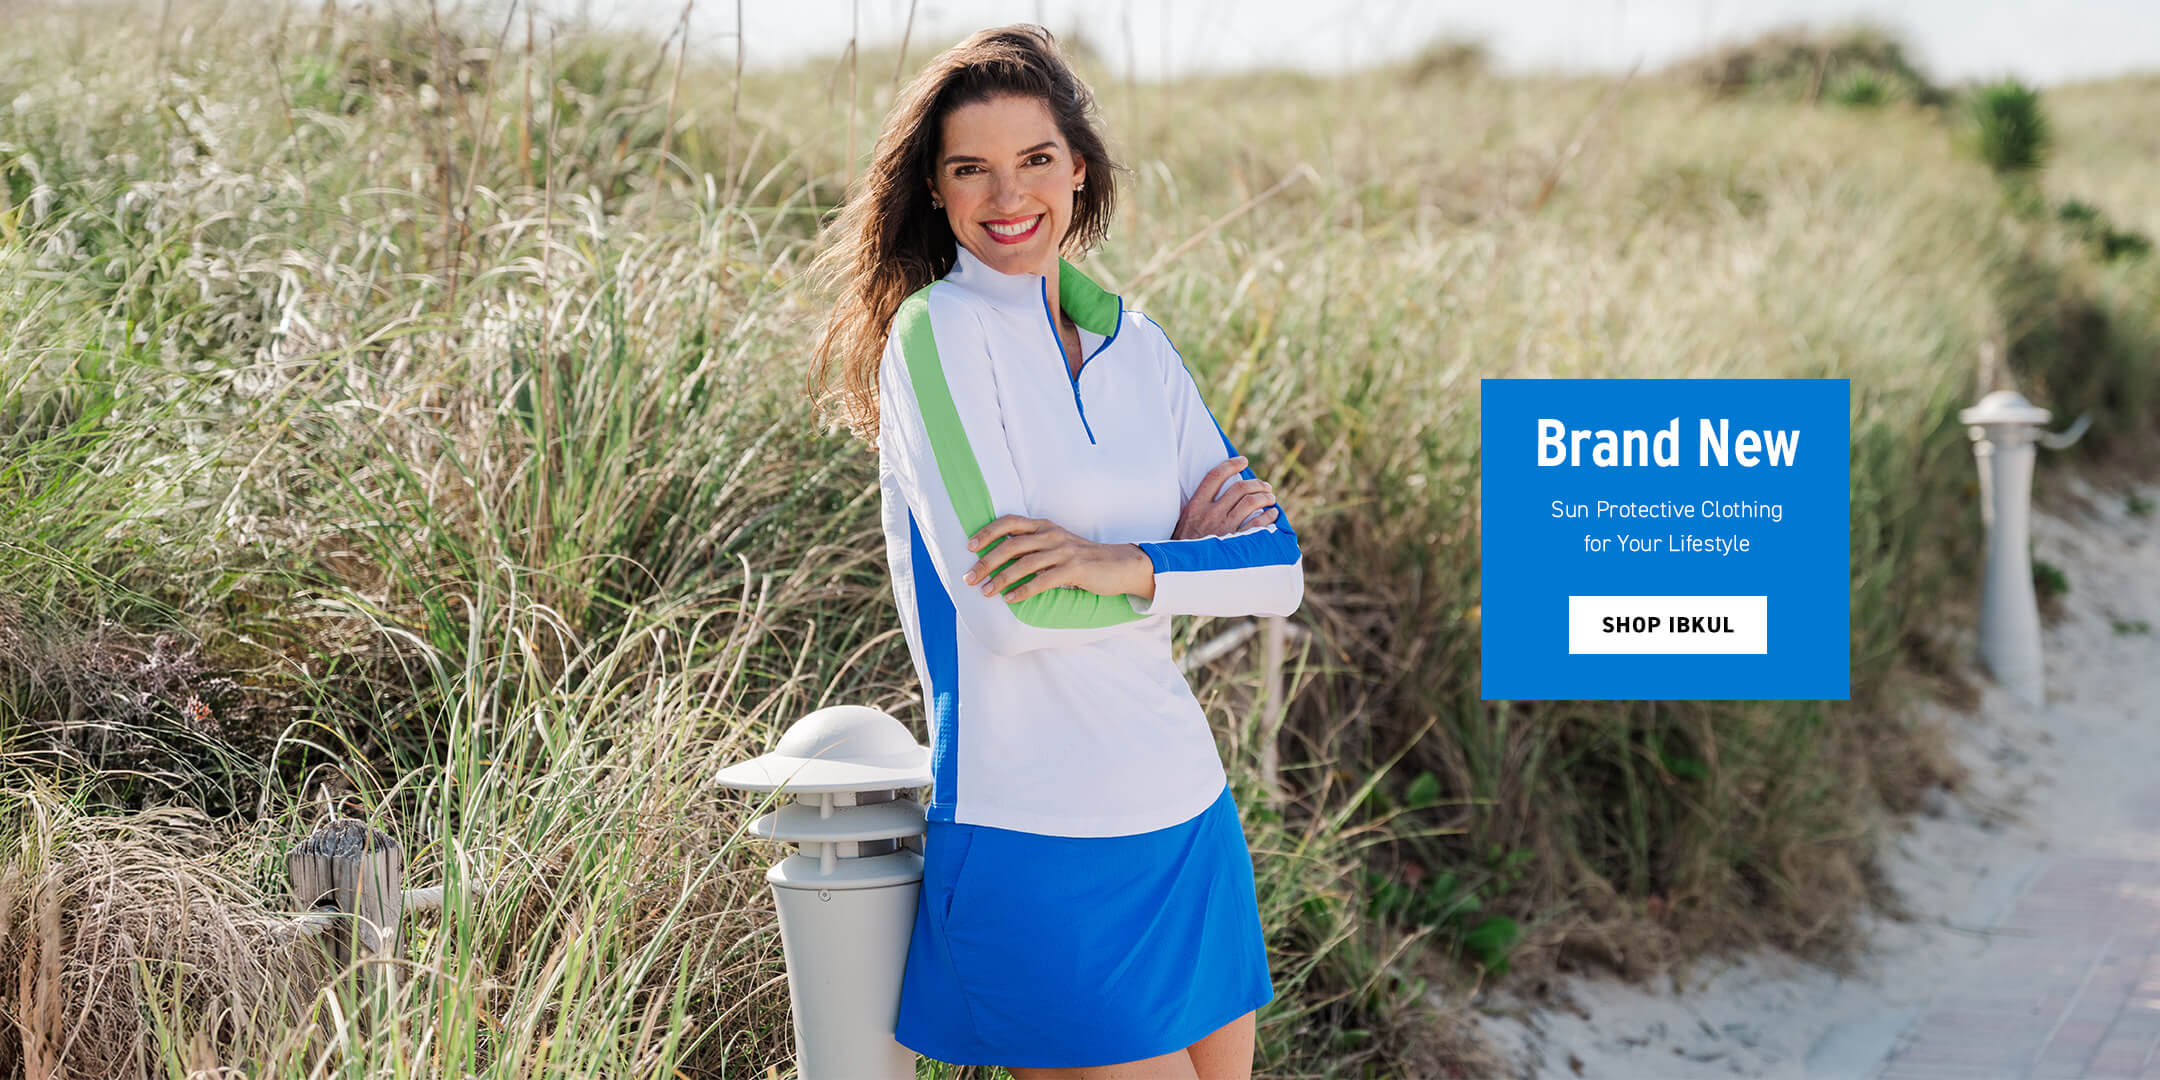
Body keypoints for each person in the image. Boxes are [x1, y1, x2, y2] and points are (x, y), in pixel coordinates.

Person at [807, 24, 1303, 1080]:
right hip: (1034, 835)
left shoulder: (1142, 346)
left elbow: (1276, 572)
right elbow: (1010, 614)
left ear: (1080, 166)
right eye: (969, 169)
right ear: (934, 193)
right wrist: (1174, 561)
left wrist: (1117, 563)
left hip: (1186, 814)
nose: (1007, 194)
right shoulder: (934, 337)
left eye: (1035, 159)